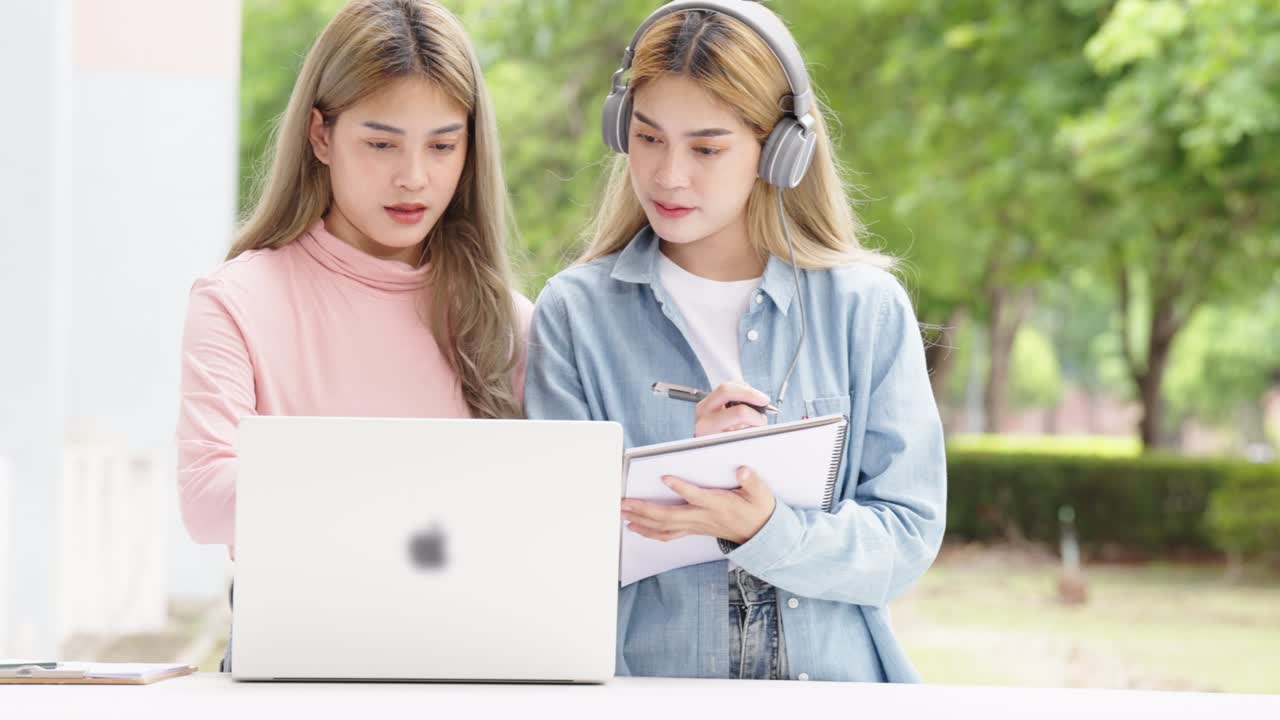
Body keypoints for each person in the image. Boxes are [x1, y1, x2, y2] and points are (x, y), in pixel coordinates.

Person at [524, 0, 946, 682]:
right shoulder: (575, 315)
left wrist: (766, 528)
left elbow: (906, 538)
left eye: (707, 147)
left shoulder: (865, 310)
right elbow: (552, 545)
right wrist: (687, 476)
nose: (668, 175)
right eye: (649, 137)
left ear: (779, 153)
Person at [175, 0, 530, 671]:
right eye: (381, 143)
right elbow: (206, 501)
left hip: (472, 659)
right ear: (320, 136)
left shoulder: (510, 322)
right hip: (292, 658)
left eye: (443, 145)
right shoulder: (238, 300)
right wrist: (424, 482)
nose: (414, 177)